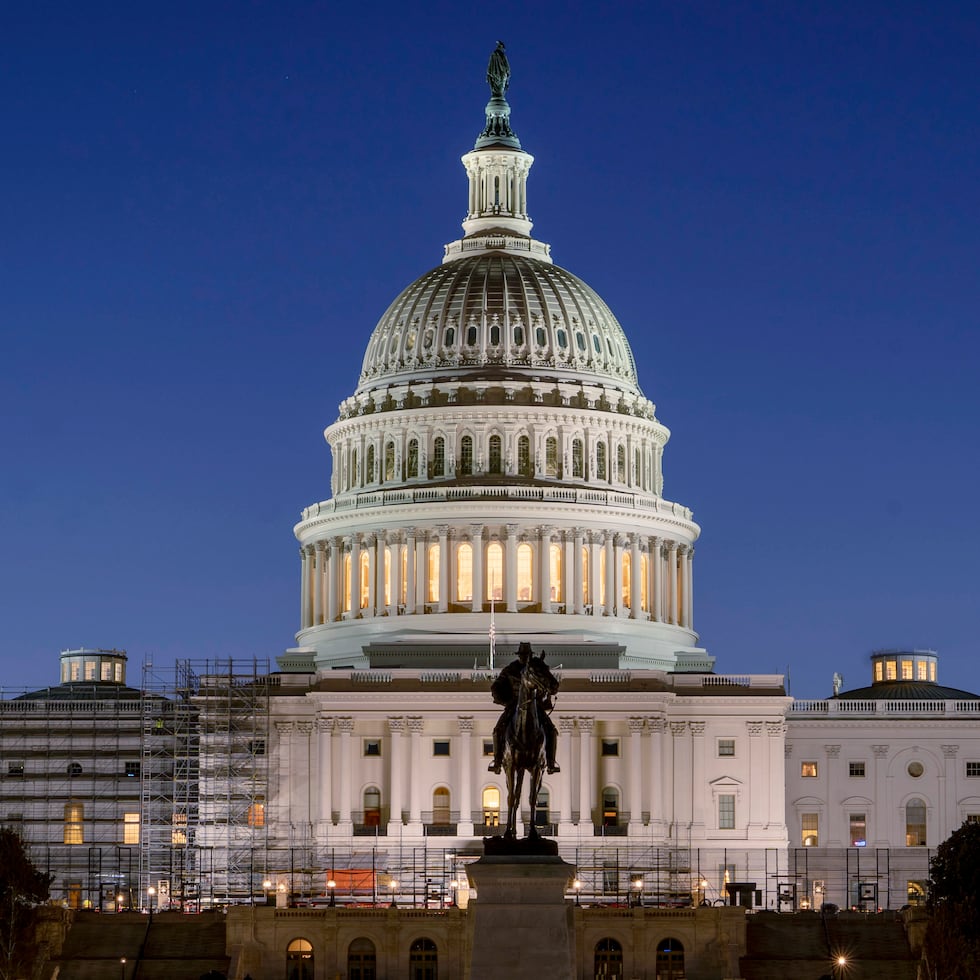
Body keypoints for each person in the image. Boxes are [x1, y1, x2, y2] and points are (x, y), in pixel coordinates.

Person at [488, 642, 560, 774]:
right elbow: (496, 687)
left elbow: (548, 682)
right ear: (519, 656)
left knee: (551, 731)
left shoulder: (537, 668)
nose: (525, 658)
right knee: (498, 730)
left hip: (535, 706)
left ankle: (550, 762)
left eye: (527, 655)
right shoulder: (511, 669)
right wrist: (505, 700)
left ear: (530, 656)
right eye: (522, 655)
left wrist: (548, 695)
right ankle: (497, 761)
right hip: (514, 705)